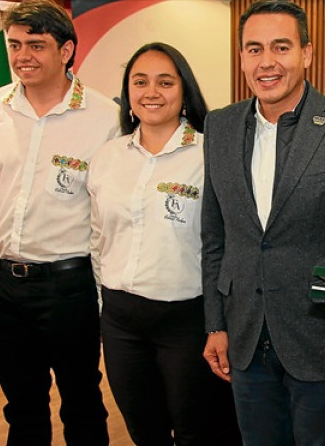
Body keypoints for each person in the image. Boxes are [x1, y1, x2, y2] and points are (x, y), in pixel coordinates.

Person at [201, 0, 325, 446]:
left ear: (307, 53)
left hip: (322, 337)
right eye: (254, 49)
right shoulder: (219, 127)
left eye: (281, 47)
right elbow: (215, 236)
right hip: (243, 334)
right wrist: (215, 324)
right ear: (241, 56)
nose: (267, 62)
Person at [0, 0, 116, 445]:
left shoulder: (106, 117)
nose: (22, 57)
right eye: (14, 45)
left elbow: (108, 212)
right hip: (5, 285)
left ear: (66, 51)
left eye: (35, 45)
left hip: (71, 287)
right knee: (22, 405)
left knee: (82, 402)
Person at [89, 42, 240, 445]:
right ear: (128, 92)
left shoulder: (211, 154)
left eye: (165, 82)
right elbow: (97, 237)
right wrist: (104, 305)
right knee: (144, 430)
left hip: (188, 321)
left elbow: (226, 245)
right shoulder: (107, 156)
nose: (151, 91)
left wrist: (218, 323)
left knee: (199, 432)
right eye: (140, 82)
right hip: (121, 319)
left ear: (185, 91)